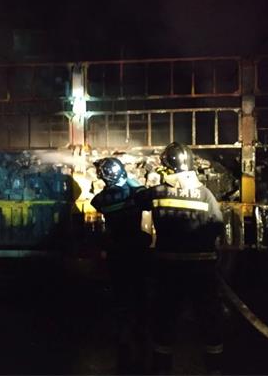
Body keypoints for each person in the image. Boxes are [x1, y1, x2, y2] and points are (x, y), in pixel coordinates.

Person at [136, 142, 225, 375]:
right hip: (202, 267)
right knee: (208, 317)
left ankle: (161, 368)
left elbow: (137, 199)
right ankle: (214, 368)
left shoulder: (157, 192)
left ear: (166, 167)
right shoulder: (205, 194)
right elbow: (217, 224)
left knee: (165, 317)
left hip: (169, 267)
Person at [90, 157, 151, 374]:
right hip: (137, 251)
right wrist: (132, 180)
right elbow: (147, 198)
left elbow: (95, 201)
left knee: (121, 295)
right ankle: (142, 334)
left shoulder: (102, 200)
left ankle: (123, 337)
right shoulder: (136, 195)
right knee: (140, 293)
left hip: (117, 253)